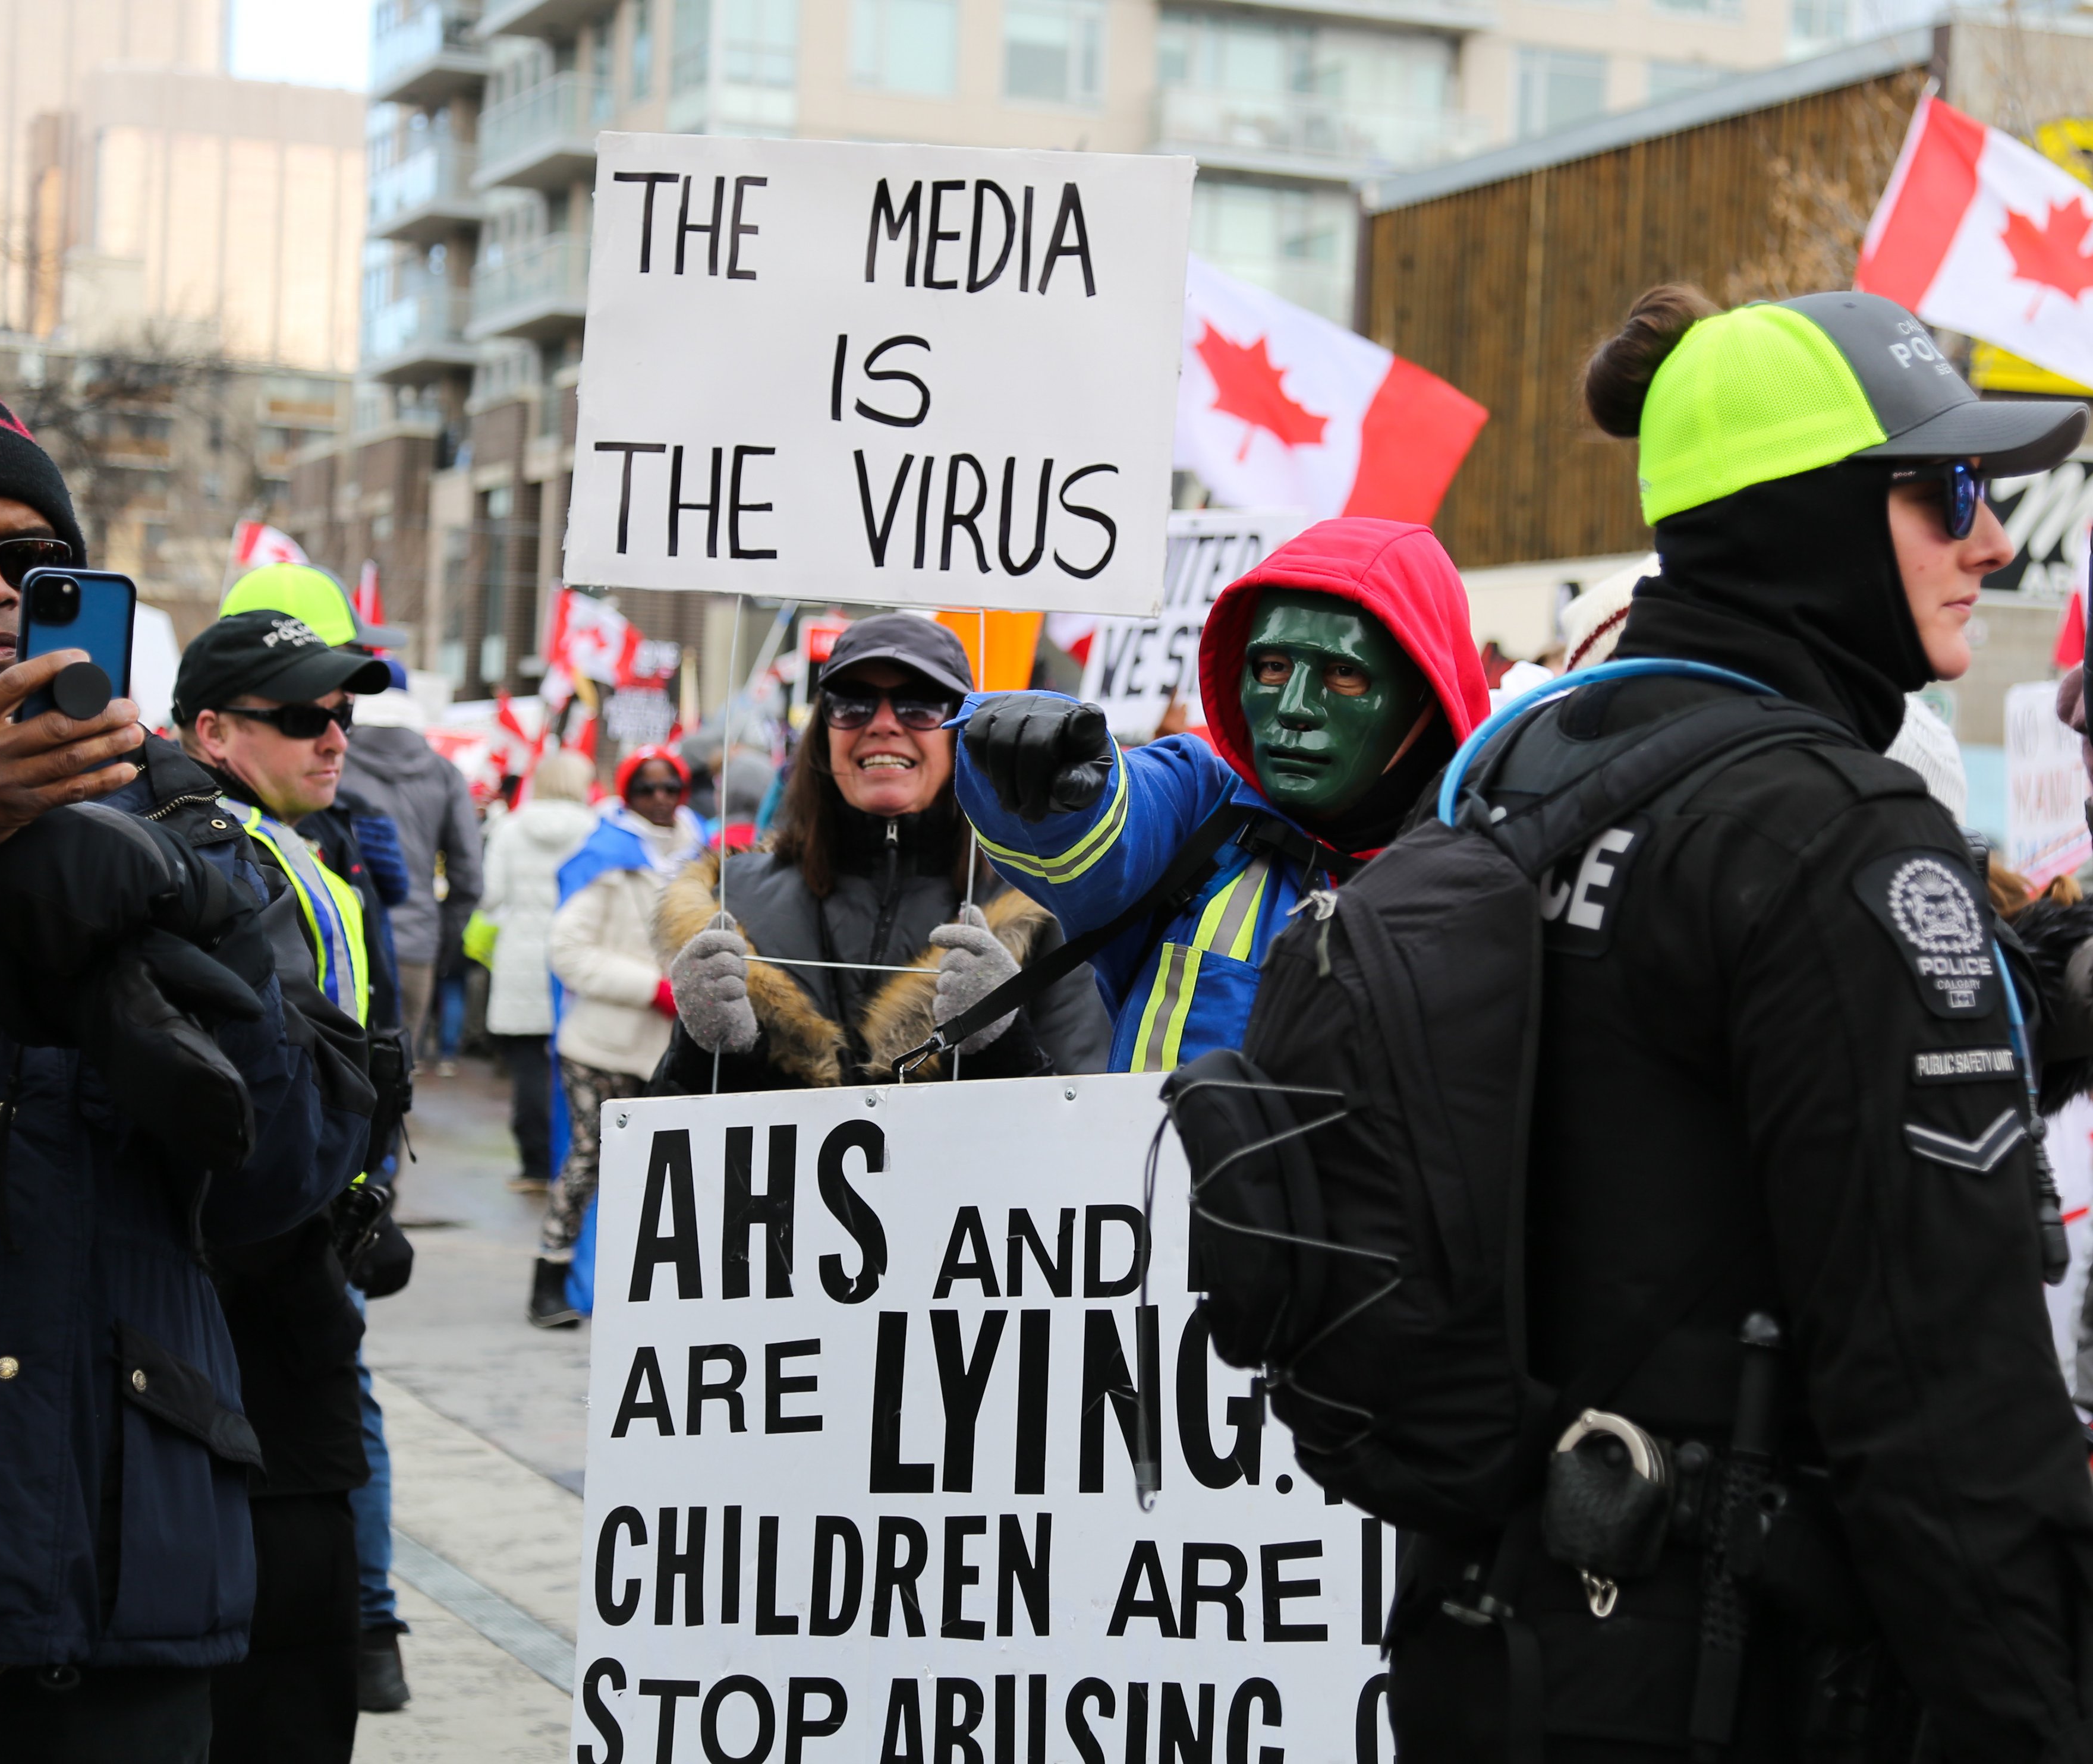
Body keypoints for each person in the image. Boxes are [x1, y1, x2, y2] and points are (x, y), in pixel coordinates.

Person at [1384, 288, 2093, 1760]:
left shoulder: (1520, 763)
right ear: (1807, 519)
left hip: (1498, 1636)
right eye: (1946, 491)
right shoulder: (1834, 834)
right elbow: (1944, 1393)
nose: (1990, 542)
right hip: (1738, 1674)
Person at [0, 391, 363, 1759]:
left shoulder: (189, 818)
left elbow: (281, 1191)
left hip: (121, 1585)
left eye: (35, 561)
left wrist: (193, 910)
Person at [955, 519, 1489, 1070]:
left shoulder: (1497, 880)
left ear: (1426, 692)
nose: (1295, 707)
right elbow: (1110, 822)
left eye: (1343, 673)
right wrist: (1045, 764)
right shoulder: (1202, 813)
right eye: (1274, 667)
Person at [171, 611, 409, 1758]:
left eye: (344, 717)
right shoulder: (218, 850)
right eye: (304, 717)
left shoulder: (303, 849)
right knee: (275, 1696)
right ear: (213, 730)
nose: (334, 738)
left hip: (293, 1296)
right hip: (249, 1321)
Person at [659, 613, 1110, 1091]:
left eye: (919, 705)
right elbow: (657, 1149)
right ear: (823, 733)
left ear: (961, 734)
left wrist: (1003, 1044)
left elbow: (1084, 1129)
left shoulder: (1040, 907)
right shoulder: (733, 901)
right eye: (852, 703)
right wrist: (706, 1054)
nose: (884, 724)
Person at [536, 746, 701, 1325]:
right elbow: (568, 952)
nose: (660, 799)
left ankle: (639, 1288)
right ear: (627, 795)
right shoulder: (604, 859)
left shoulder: (698, 857)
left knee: (663, 1173)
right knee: (587, 1161)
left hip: (672, 1046)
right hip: (601, 1044)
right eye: (646, 789)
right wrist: (651, 987)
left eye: (671, 787)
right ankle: (549, 1281)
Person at [342, 657, 483, 1060]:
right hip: (414, 945)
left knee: (333, 1078)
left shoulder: (330, 759)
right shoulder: (444, 774)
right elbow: (469, 876)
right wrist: (441, 940)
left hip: (339, 935)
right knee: (396, 1074)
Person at [476, 749, 599, 1198]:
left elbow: (490, 896)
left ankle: (533, 1165)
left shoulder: (510, 827)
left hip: (522, 957)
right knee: (577, 1064)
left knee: (528, 1065)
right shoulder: (593, 829)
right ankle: (576, 1159)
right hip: (580, 956)